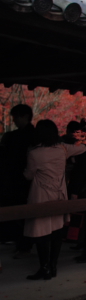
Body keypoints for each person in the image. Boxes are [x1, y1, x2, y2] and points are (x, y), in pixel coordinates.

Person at [23, 119, 86, 280]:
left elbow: (28, 175)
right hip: (59, 194)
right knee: (56, 231)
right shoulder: (63, 149)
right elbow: (83, 148)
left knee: (42, 232)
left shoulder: (34, 153)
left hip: (41, 195)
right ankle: (53, 265)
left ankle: (44, 267)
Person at [0, 104, 36, 257]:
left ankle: (23, 244)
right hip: (18, 179)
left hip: (21, 179)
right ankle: (21, 243)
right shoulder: (31, 135)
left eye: (16, 117)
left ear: (25, 117)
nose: (14, 120)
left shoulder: (17, 136)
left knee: (22, 213)